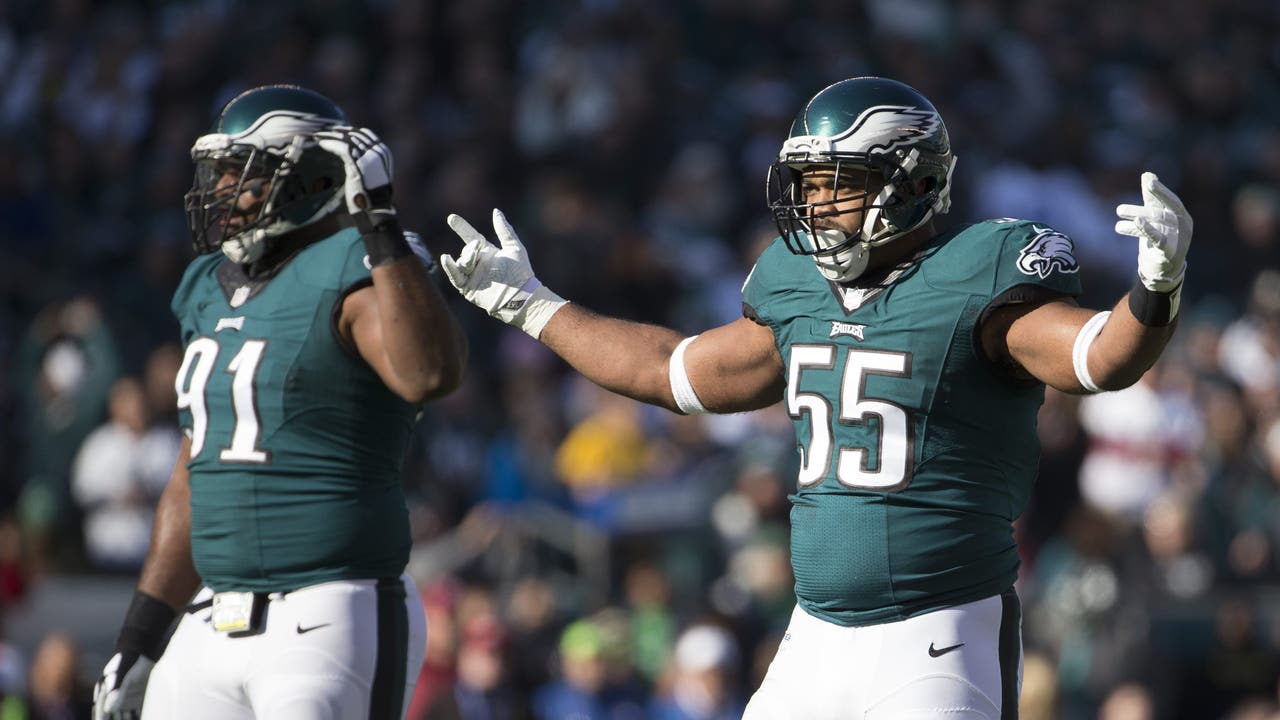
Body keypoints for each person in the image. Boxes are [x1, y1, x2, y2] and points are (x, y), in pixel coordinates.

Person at [440, 76, 1192, 719]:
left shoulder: (981, 275)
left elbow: (1100, 357)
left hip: (939, 635)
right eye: (811, 182)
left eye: (841, 181)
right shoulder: (796, 287)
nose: (818, 203)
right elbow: (672, 369)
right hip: (815, 636)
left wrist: (1155, 286)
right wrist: (534, 306)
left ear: (915, 182)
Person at [91, 84, 468, 719]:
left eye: (244, 173)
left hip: (326, 612)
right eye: (220, 172)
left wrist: (378, 223)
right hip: (209, 620)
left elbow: (429, 373)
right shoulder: (206, 286)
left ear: (314, 177)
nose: (221, 190)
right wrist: (141, 638)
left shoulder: (360, 262)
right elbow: (195, 477)